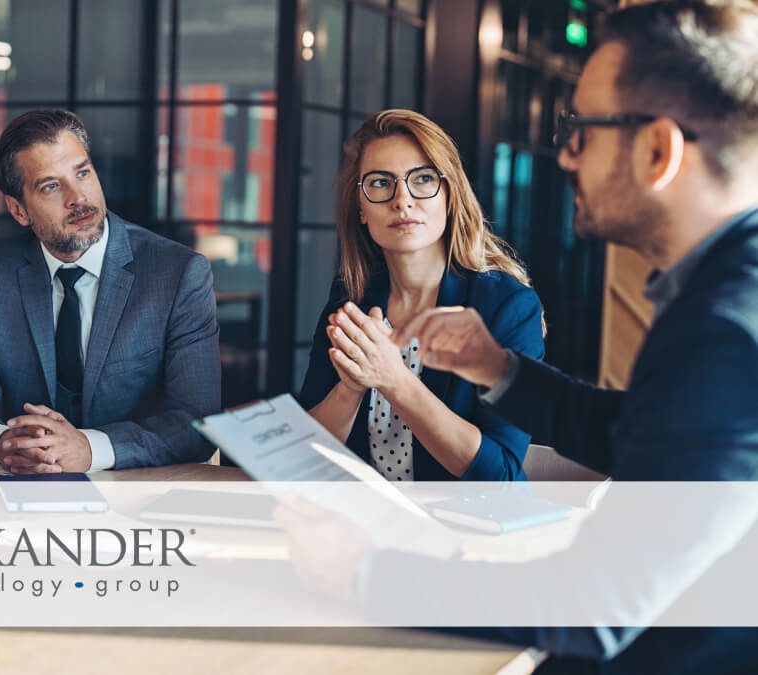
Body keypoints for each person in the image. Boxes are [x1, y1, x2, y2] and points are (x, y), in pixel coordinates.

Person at [276, 1, 758, 672]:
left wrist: (365, 572)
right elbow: (635, 426)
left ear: (656, 151)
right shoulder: (723, 296)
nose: (564, 153)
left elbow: (592, 605)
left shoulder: (726, 331)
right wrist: (498, 368)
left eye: (583, 130)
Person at [0, 109, 220, 473]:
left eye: (82, 173)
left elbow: (196, 419)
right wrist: (2, 443)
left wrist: (88, 449)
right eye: (50, 186)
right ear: (18, 210)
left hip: (137, 493)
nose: (77, 197)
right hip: (23, 486)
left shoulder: (177, 274)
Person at [298, 109, 544, 481]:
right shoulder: (351, 299)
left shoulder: (509, 308)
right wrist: (350, 389)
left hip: (468, 530)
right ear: (361, 208)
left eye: (423, 179)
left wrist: (394, 379)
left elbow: (502, 477)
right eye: (380, 183)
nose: (402, 200)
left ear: (449, 195)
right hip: (362, 527)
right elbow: (305, 458)